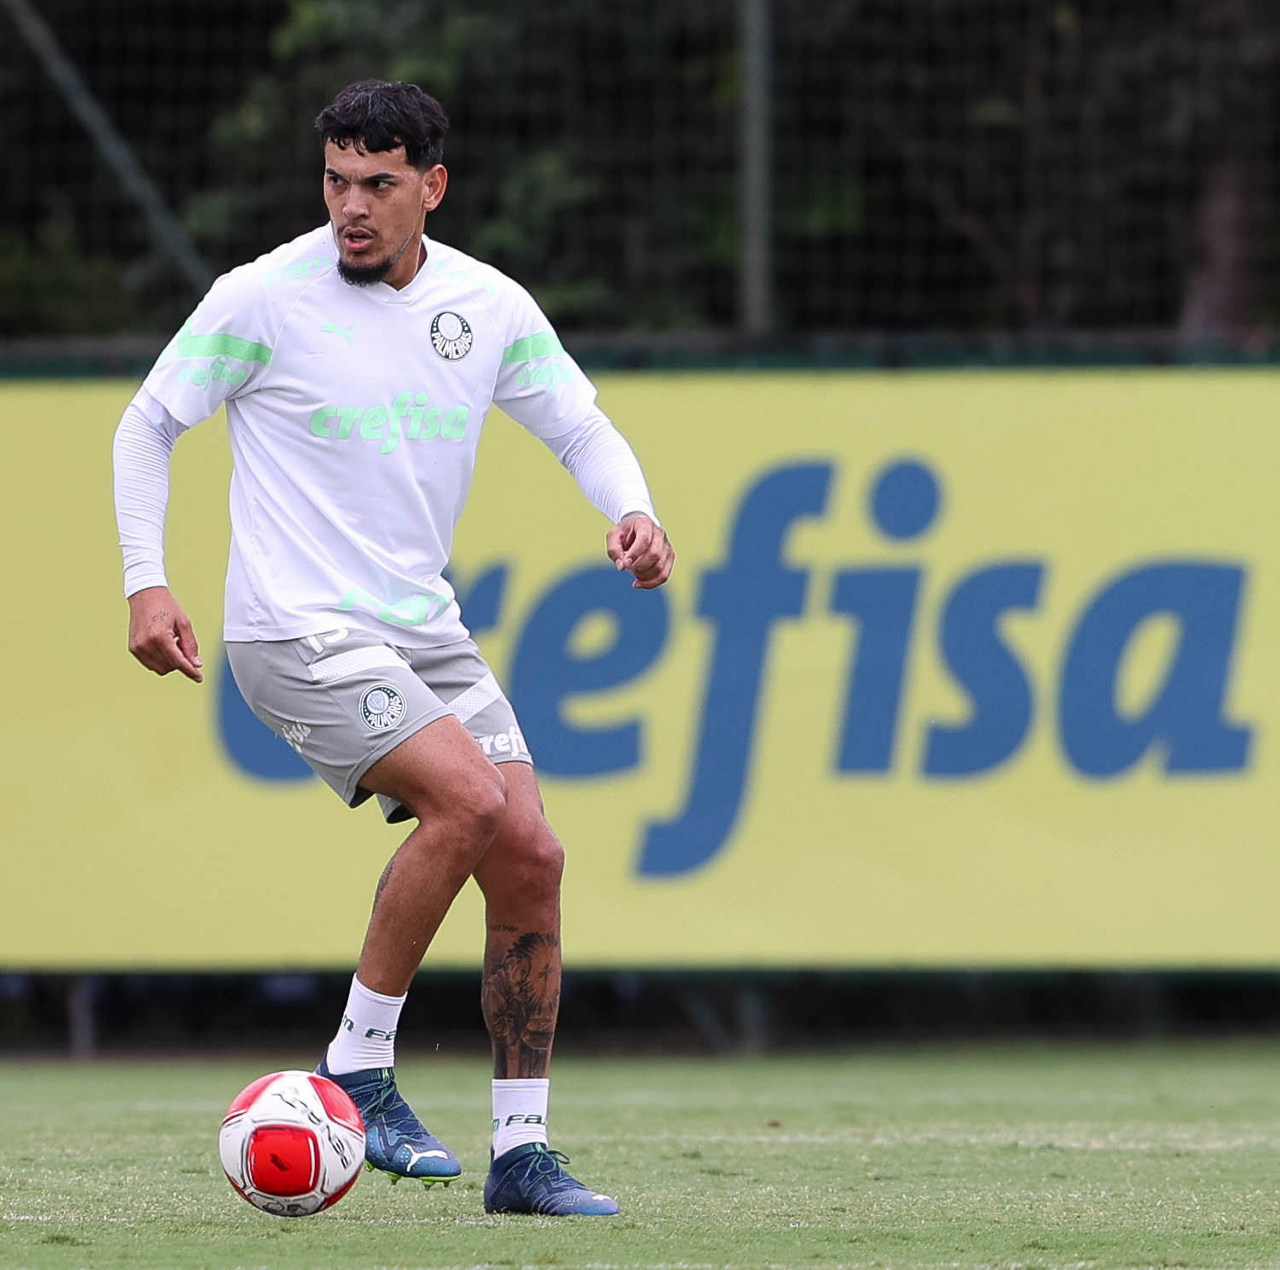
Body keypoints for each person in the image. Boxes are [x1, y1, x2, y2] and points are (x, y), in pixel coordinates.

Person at [112, 79, 673, 1217]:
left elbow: (577, 422)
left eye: (377, 183)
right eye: (335, 182)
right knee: (467, 800)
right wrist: (146, 580)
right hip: (294, 629)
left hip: (425, 635)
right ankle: (358, 1064)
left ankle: (521, 1154)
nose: (351, 208)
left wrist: (634, 508)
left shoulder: (487, 304)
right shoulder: (262, 296)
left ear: (433, 185)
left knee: (531, 855)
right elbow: (148, 423)